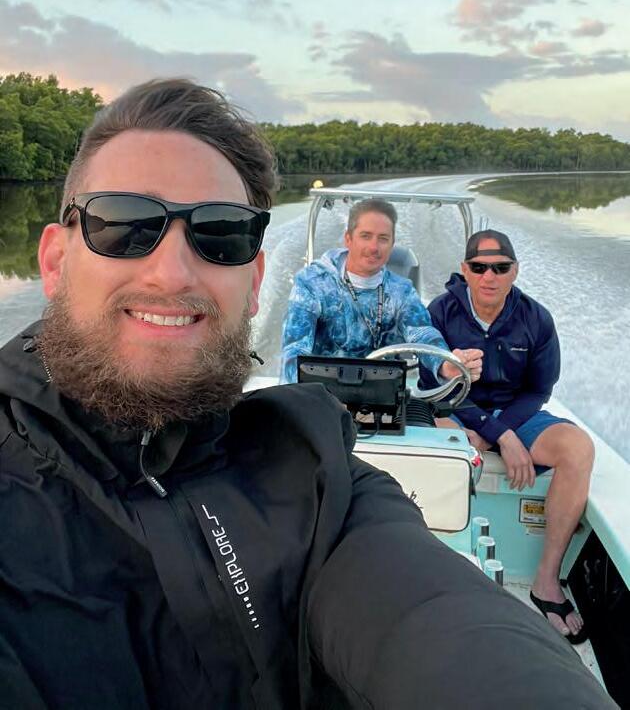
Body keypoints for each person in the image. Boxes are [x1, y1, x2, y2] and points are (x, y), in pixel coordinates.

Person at [0, 80, 613, 710]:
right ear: (54, 261)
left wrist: (446, 364)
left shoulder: (311, 473)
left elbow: (432, 613)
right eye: (125, 224)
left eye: (221, 234)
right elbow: (294, 357)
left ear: (254, 280)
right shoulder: (316, 287)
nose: (172, 272)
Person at [426, 229, 595, 645]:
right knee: (445, 447)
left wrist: (502, 432)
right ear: (465, 270)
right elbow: (433, 384)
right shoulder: (440, 312)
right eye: (480, 267)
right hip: (457, 409)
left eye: (500, 268)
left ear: (515, 271)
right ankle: (441, 571)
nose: (490, 276)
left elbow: (539, 391)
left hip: (517, 415)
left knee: (578, 449)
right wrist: (495, 433)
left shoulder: (536, 319)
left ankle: (546, 581)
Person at [280, 198, 483, 385]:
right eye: (365, 236)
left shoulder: (401, 291)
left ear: (392, 244)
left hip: (380, 395)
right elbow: (295, 347)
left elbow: (423, 333)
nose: (374, 247)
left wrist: (445, 364)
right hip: (320, 393)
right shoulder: (312, 283)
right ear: (348, 239)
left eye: (383, 238)